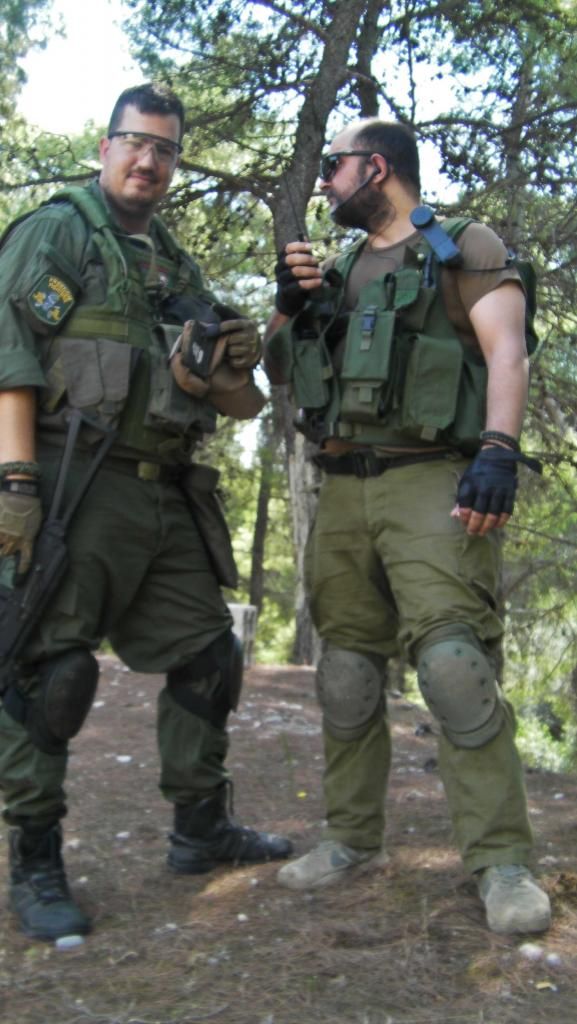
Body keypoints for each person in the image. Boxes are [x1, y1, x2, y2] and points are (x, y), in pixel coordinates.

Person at [0, 83, 291, 942]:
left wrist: (225, 367)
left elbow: (238, 403)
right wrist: (15, 483)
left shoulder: (173, 265)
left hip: (163, 490)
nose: (148, 161)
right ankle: (36, 859)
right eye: (135, 142)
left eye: (165, 150)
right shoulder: (57, 232)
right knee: (50, 674)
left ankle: (200, 830)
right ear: (105, 146)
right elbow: (10, 356)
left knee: (207, 654)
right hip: (70, 484)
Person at [263, 118, 550, 935]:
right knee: (346, 670)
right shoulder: (337, 270)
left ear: (377, 167)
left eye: (335, 165)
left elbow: (506, 351)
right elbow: (278, 368)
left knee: (454, 665)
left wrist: (497, 449)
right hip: (341, 486)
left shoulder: (464, 247)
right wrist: (288, 307)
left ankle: (501, 862)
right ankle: (350, 838)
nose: (325, 180)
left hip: (431, 479)